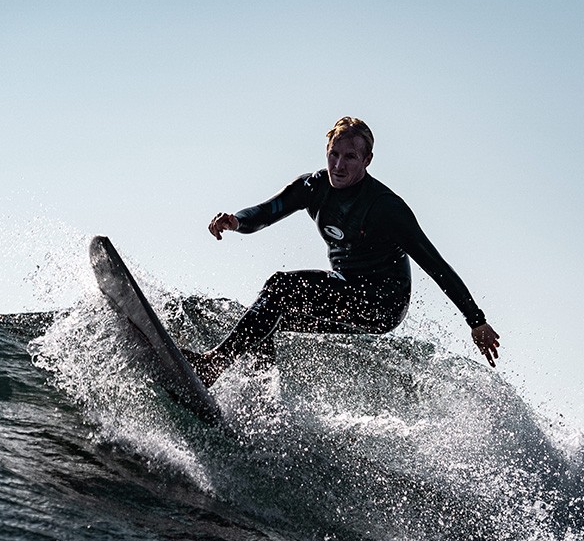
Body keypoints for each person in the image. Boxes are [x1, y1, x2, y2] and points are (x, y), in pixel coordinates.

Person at [188, 116, 500, 388]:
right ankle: (261, 401)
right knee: (266, 315)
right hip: (345, 285)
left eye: (350, 157)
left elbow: (436, 265)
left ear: (368, 160)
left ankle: (213, 364)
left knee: (280, 286)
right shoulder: (313, 187)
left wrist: (476, 320)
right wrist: (235, 222)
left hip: (381, 305)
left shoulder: (386, 208)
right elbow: (265, 212)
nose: (338, 165)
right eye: (333, 154)